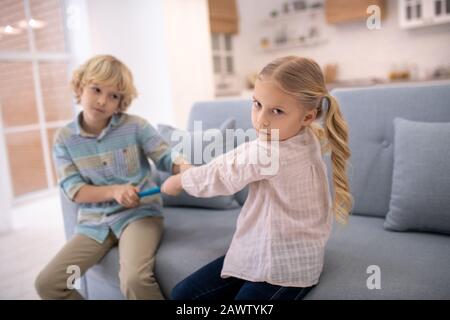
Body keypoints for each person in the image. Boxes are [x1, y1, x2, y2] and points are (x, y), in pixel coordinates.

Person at [162, 56, 353, 300]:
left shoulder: (272, 152)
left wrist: (180, 181)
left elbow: (224, 173)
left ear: (307, 116)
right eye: (257, 104)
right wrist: (192, 172)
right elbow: (237, 157)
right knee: (183, 294)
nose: (261, 119)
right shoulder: (299, 134)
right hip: (255, 250)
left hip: (287, 267)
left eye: (276, 111)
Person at [35, 54, 190, 300]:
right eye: (96, 89)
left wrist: (185, 168)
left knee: (134, 279)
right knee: (48, 283)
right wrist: (115, 191)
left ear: (121, 101)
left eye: (113, 95)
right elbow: (74, 190)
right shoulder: (64, 139)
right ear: (80, 87)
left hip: (139, 216)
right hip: (93, 224)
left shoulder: (136, 126)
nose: (102, 100)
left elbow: (166, 156)